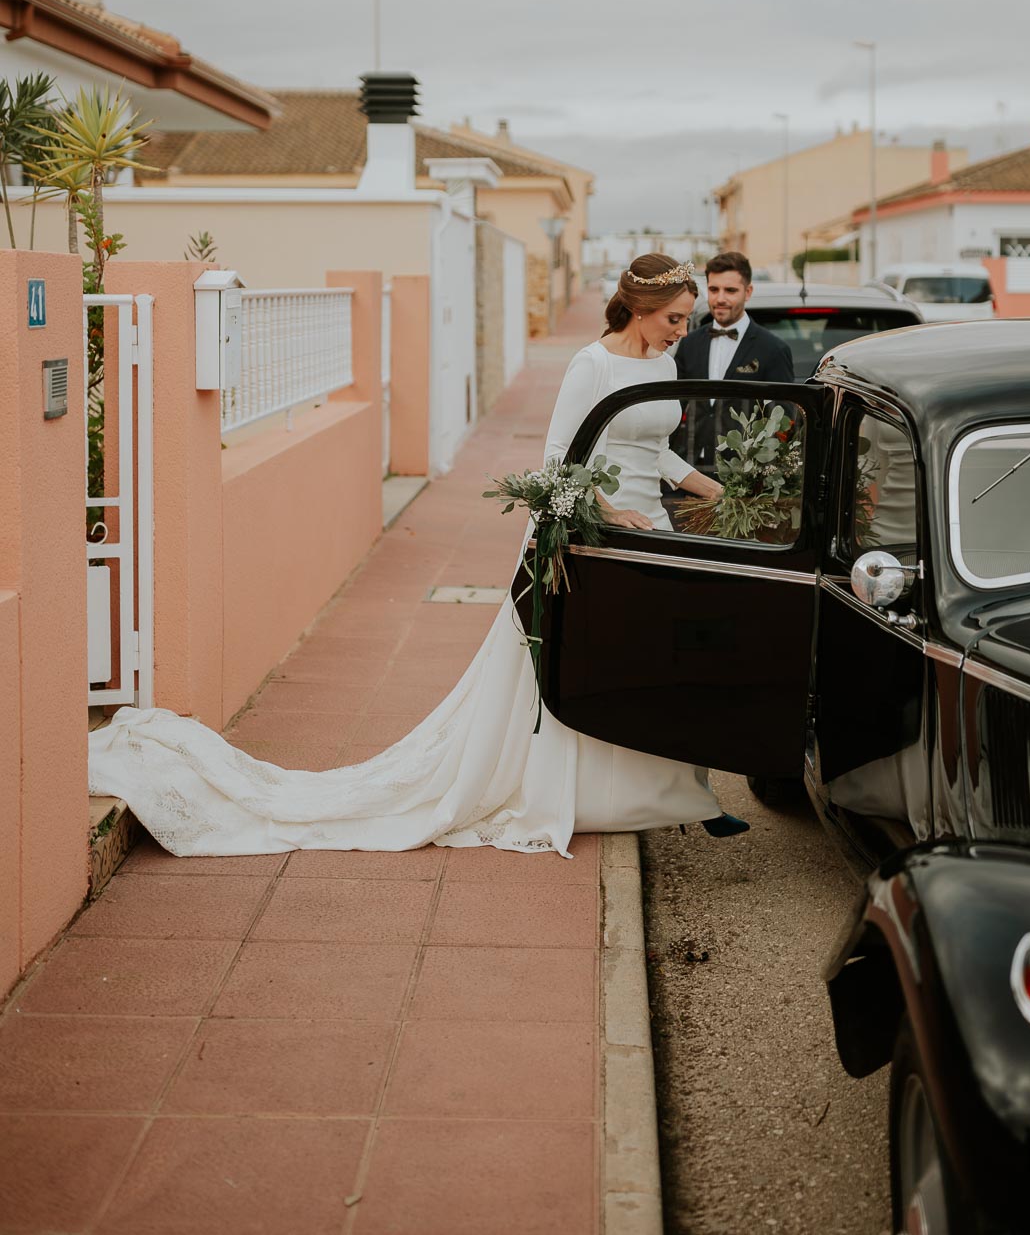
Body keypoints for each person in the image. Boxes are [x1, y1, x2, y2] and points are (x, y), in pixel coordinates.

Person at [87, 253, 748, 860]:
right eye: (671, 318)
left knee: (653, 659)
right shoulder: (592, 365)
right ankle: (578, 791)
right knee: (577, 665)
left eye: (684, 319)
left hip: (651, 529)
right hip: (590, 533)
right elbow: (558, 460)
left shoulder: (664, 364)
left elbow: (652, 449)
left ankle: (683, 794)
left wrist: (713, 487)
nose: (679, 329)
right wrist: (606, 511)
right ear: (636, 308)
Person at [671, 250, 795, 473]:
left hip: (746, 477)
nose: (720, 299)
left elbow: (783, 422)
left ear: (748, 292)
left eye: (730, 290)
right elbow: (673, 405)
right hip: (690, 469)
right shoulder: (689, 343)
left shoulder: (773, 349)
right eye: (713, 289)